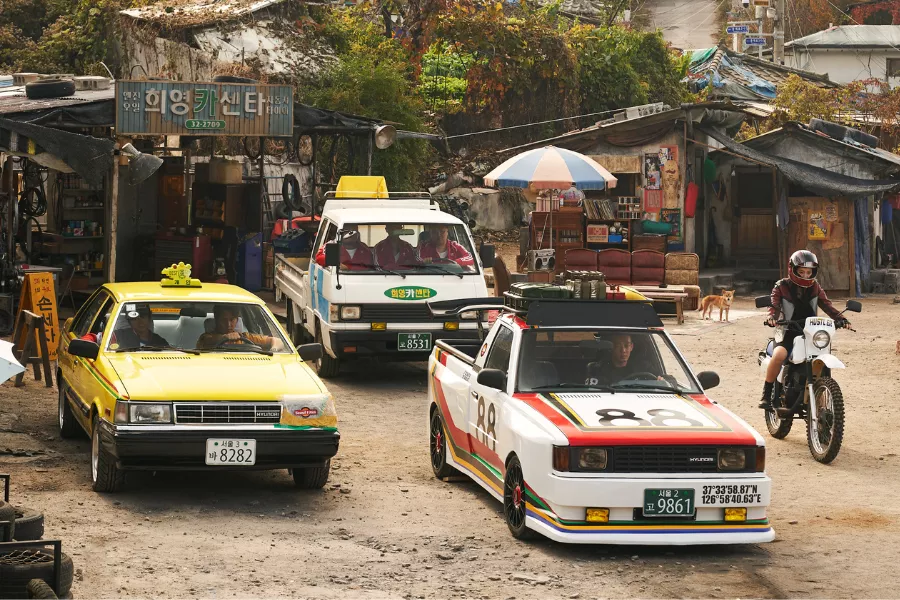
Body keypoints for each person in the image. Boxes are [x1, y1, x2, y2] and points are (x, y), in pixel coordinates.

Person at [759, 250, 849, 409]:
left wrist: (841, 319)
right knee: (780, 354)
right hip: (787, 329)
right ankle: (766, 394)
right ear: (792, 270)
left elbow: (827, 305)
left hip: (811, 332)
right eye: (801, 272)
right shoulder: (782, 286)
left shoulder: (815, 287)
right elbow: (774, 304)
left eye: (809, 272)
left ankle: (820, 399)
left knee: (821, 356)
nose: (806, 275)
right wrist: (772, 317)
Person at [196, 305, 284, 351]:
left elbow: (277, 341)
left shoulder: (245, 337)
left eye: (232, 320)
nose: (228, 324)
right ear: (217, 320)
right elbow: (207, 341)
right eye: (224, 320)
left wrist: (274, 349)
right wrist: (224, 337)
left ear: (237, 320)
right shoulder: (206, 338)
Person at [585, 334, 657, 384]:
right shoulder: (599, 369)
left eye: (627, 345)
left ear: (631, 347)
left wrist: (661, 381)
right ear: (611, 347)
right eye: (618, 345)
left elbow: (661, 382)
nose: (623, 350)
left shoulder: (644, 367)